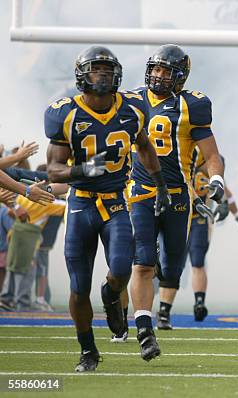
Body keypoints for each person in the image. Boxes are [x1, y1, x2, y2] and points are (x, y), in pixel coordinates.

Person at [45, 46, 167, 372]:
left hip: (115, 202)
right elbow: (53, 170)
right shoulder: (65, 113)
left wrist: (161, 183)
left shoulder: (133, 109)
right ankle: (88, 350)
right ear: (82, 74)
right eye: (95, 69)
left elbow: (144, 145)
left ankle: (112, 295)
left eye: (106, 69)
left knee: (123, 268)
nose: (101, 75)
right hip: (81, 202)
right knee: (78, 286)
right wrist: (84, 169)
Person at [127, 44, 225, 357]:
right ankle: (144, 330)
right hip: (141, 191)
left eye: (165, 71)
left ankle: (158, 297)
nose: (157, 75)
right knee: (142, 262)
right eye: (154, 69)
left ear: (179, 77)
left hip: (178, 195)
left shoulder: (191, 106)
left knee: (171, 268)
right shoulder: (129, 100)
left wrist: (216, 180)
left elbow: (211, 154)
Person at [186, 155, 238, 323]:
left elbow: (226, 194)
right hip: (176, 216)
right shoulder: (181, 159)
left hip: (199, 219)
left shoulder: (209, 166)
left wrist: (237, 215)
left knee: (197, 260)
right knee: (168, 262)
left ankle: (198, 301)